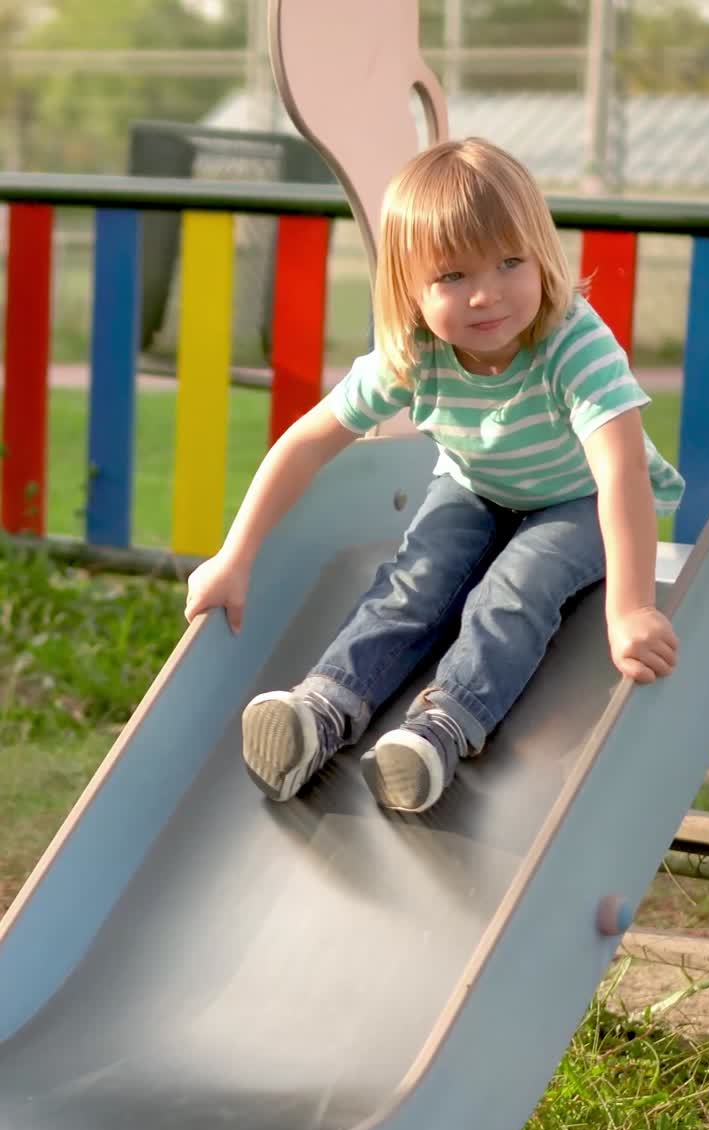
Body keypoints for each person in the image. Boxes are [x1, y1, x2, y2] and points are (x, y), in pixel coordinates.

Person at [185, 137, 684, 814]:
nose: (487, 295)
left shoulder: (572, 343)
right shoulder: (413, 354)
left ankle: (442, 729)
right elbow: (306, 442)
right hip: (476, 485)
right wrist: (235, 556)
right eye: (452, 277)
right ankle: (324, 708)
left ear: (542, 254)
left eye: (511, 262)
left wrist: (629, 609)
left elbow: (620, 469)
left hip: (580, 499)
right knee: (415, 579)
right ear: (410, 291)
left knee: (514, 589)